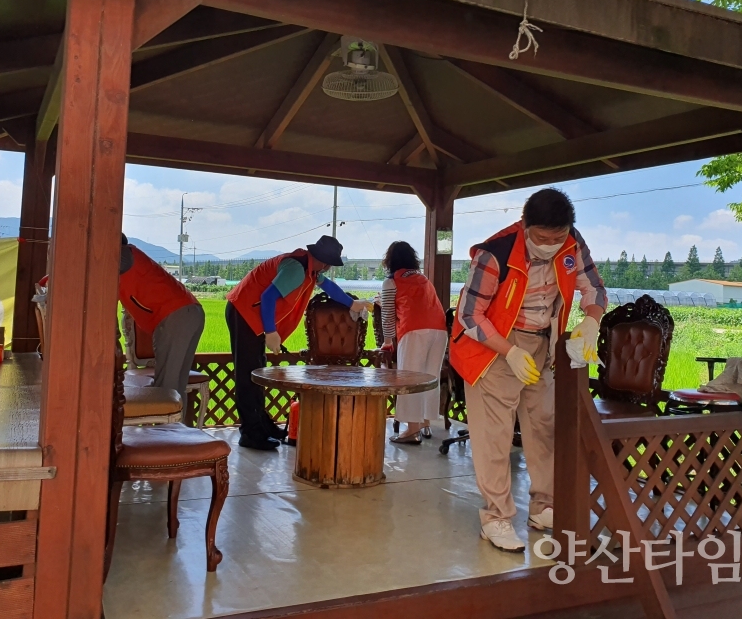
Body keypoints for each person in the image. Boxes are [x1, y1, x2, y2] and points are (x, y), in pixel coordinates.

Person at [449, 188, 606, 553]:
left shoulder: (572, 243)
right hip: (493, 348)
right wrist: (511, 353)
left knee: (543, 426)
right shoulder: (496, 253)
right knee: (495, 436)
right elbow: (469, 315)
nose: (551, 244)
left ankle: (544, 507)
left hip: (542, 344)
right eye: (542, 238)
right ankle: (496, 517)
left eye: (558, 237)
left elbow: (593, 287)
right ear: (524, 226)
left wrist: (592, 321)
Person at [226, 235, 372, 451]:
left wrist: (353, 303)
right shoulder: (296, 269)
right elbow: (267, 297)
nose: (330, 269)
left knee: (257, 372)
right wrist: (271, 331)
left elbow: (329, 287)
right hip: (244, 313)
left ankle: (261, 425)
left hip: (252, 314)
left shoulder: (311, 269)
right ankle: (250, 432)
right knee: (248, 374)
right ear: (326, 261)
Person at [119, 234, 205, 400]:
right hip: (190, 312)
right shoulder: (130, 255)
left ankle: (166, 426)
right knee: (176, 386)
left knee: (167, 388)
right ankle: (177, 425)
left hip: (174, 316)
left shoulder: (121, 256)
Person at [378, 241, 448, 445]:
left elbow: (388, 315)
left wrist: (388, 340)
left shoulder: (391, 282)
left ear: (389, 260)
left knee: (409, 378)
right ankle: (425, 423)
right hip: (439, 330)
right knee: (429, 377)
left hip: (414, 330)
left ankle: (412, 429)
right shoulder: (423, 278)